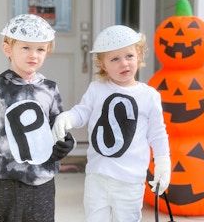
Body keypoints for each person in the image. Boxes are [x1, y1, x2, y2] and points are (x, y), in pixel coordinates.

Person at [52, 25, 171, 222]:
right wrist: (68, 117)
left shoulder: (149, 96)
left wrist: (163, 162)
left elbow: (157, 133)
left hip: (130, 180)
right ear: (103, 64)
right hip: (97, 175)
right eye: (115, 59)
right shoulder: (97, 89)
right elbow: (83, 112)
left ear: (139, 55)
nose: (124, 63)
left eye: (129, 56)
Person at [0, 14, 75, 222]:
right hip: (5, 179)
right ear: (8, 50)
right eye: (25, 48)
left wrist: (65, 141)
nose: (33, 55)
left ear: (48, 51)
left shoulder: (50, 89)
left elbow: (57, 124)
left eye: (40, 49)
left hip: (41, 179)